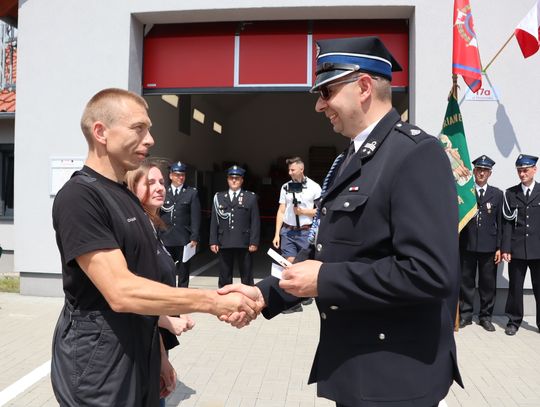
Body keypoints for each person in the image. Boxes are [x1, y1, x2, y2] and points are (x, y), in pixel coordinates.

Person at [220, 36, 463, 406]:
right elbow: (328, 250)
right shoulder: (350, 157)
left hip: (395, 379)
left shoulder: (416, 155)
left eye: (327, 92)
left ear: (363, 87)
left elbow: (429, 272)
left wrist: (325, 280)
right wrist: (265, 293)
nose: (320, 105)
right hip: (357, 368)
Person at [50, 88, 259, 407]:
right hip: (101, 366)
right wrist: (211, 301)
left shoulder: (126, 198)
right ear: (101, 132)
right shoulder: (81, 197)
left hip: (139, 353)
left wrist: (160, 356)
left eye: (148, 129)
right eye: (138, 128)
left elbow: (147, 284)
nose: (149, 140)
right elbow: (122, 291)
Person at [126, 161, 196, 406]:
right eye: (150, 182)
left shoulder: (152, 227)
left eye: (161, 182)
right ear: (131, 188)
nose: (159, 187)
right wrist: (167, 320)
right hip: (136, 346)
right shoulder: (134, 231)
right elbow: (134, 297)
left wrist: (176, 310)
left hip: (152, 343)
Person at [458, 155, 503, 331]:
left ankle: (485, 317)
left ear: (490, 173)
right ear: (474, 171)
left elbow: (500, 223)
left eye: (485, 170)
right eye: (479, 170)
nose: (482, 173)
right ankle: (466, 315)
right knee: (466, 282)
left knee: (487, 284)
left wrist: (499, 247)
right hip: (467, 244)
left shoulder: (497, 194)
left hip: (488, 246)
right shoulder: (466, 192)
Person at [501, 154, 540, 336]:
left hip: (538, 249)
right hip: (517, 249)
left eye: (525, 170)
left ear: (534, 170)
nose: (522, 174)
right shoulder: (511, 194)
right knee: (515, 287)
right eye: (519, 171)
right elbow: (507, 224)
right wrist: (506, 248)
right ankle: (513, 321)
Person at [210, 165, 260, 288]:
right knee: (224, 274)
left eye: (237, 178)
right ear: (227, 179)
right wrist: (213, 241)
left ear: (242, 180)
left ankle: (248, 296)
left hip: (244, 241)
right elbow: (214, 221)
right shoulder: (219, 197)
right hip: (225, 240)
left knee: (246, 275)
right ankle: (224, 296)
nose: (234, 180)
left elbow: (255, 221)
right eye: (231, 178)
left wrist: (254, 241)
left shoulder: (250, 197)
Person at [273, 157, 321, 264]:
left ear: (301, 169)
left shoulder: (314, 187)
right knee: (289, 262)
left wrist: (303, 212)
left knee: (303, 264)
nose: (290, 173)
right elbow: (281, 211)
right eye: (289, 170)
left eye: (293, 170)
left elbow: (320, 211)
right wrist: (277, 234)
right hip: (287, 232)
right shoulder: (285, 187)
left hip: (306, 232)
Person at [160, 161, 201, 287]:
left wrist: (194, 236)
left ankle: (183, 291)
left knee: (184, 269)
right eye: (177, 175)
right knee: (166, 268)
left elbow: (195, 216)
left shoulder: (191, 192)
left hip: (184, 237)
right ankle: (168, 291)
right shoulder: (163, 191)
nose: (180, 177)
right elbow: (157, 214)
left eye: (182, 175)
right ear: (171, 176)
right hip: (166, 237)